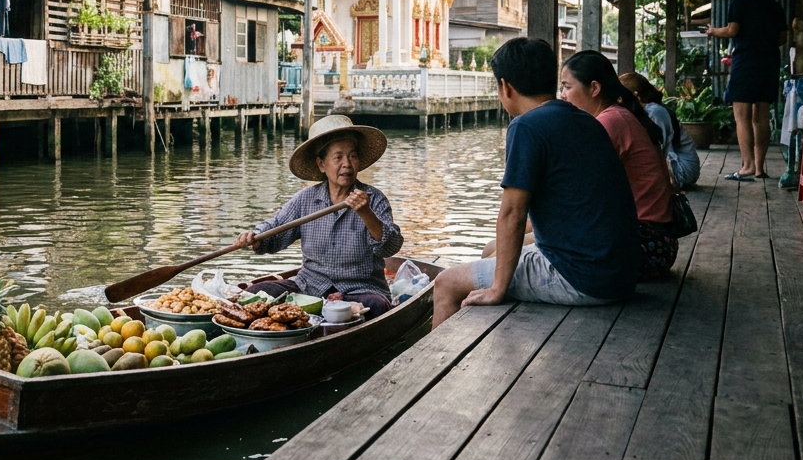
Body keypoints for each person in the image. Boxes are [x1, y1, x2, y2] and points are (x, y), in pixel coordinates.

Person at [431, 38, 639, 328]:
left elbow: (512, 214)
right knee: (493, 252)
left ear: (506, 87)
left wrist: (498, 290)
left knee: (446, 282)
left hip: (584, 278)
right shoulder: (586, 121)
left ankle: (437, 371)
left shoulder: (527, 125)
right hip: (622, 274)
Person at [233, 115, 403, 318]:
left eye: (353, 156)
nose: (347, 164)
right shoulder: (305, 199)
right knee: (255, 294)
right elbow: (277, 229)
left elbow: (390, 246)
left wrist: (366, 213)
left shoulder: (373, 199)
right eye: (338, 157)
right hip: (310, 287)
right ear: (321, 164)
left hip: (360, 288)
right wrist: (256, 236)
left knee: (376, 306)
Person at [560, 51, 677, 278]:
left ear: (594, 88)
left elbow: (575, 188)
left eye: (567, 87)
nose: (562, 95)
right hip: (656, 243)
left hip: (644, 245)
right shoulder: (618, 115)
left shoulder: (609, 122)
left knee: (500, 248)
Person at [704, 0, 786, 179]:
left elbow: (732, 30)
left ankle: (747, 166)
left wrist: (713, 31)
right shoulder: (775, 6)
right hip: (769, 63)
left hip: (747, 61)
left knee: (742, 117)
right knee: (761, 116)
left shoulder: (739, 3)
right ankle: (759, 168)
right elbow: (783, 38)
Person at [620, 72, 700, 189]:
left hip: (682, 168)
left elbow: (658, 149)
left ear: (636, 95)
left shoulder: (655, 111)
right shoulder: (643, 112)